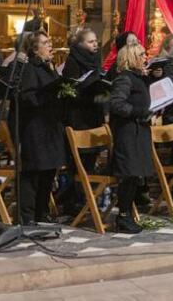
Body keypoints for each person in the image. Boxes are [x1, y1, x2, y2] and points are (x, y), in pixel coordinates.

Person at [16, 31, 66, 225]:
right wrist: (48, 94)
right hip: (36, 128)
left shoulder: (49, 68)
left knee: (48, 172)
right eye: (46, 43)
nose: (50, 46)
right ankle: (26, 215)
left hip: (51, 127)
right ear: (35, 49)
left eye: (50, 41)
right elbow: (27, 97)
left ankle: (41, 211)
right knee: (33, 173)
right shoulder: (30, 69)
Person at [61, 28, 107, 215]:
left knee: (90, 160)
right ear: (80, 44)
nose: (95, 44)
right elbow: (69, 91)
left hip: (93, 115)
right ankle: (71, 201)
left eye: (96, 41)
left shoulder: (95, 61)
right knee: (76, 162)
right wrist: (88, 91)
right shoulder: (72, 62)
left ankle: (86, 198)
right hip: (77, 116)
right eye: (90, 41)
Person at [109, 43, 154, 233]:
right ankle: (123, 216)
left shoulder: (140, 78)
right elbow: (116, 104)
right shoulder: (124, 79)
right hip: (127, 132)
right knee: (129, 174)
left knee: (136, 174)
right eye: (142, 54)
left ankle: (126, 214)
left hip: (140, 130)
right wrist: (139, 112)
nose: (146, 57)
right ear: (132, 57)